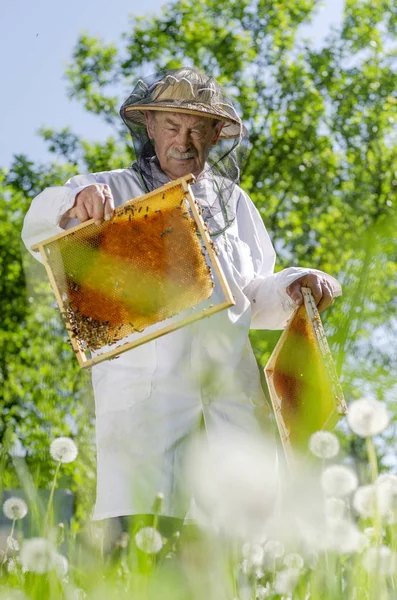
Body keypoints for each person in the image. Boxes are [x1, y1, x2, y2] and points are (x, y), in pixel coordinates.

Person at [22, 67, 341, 536]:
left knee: (231, 557)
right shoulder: (111, 189)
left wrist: (297, 284)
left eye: (197, 128)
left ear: (216, 135)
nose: (184, 140)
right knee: (137, 550)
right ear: (149, 127)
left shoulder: (236, 204)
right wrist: (75, 201)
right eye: (172, 126)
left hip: (229, 401)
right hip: (146, 404)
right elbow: (41, 227)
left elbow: (252, 297)